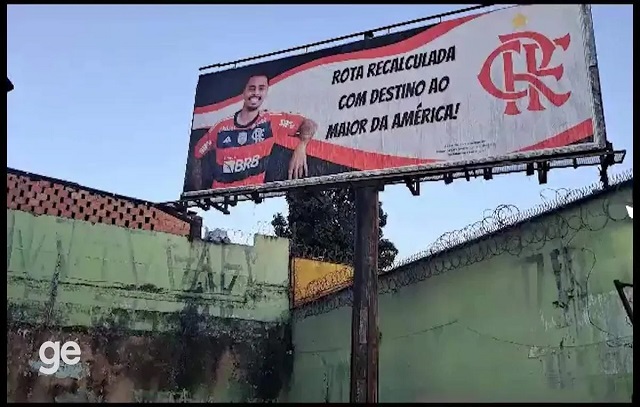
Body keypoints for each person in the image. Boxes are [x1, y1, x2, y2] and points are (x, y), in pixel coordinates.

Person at [190, 74, 317, 190]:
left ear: (266, 91)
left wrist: (302, 145)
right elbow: (197, 154)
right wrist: (198, 192)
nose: (256, 93)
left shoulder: (272, 120)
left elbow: (309, 124)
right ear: (243, 92)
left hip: (252, 197)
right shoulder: (221, 127)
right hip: (220, 199)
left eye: (261, 88)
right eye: (252, 88)